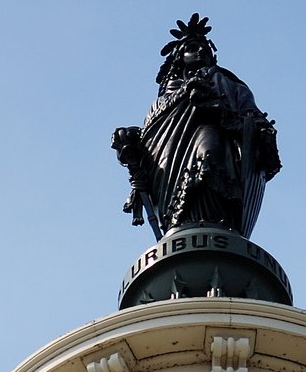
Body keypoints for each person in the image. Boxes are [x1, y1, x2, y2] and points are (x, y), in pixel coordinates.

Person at [113, 14, 279, 238]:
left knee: (209, 153)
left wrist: (222, 110)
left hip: (215, 139)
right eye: (192, 48)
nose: (201, 51)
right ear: (179, 58)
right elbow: (153, 138)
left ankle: (214, 221)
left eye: (205, 49)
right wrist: (130, 140)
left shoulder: (228, 83)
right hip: (168, 167)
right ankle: (181, 225)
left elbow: (252, 120)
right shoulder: (160, 102)